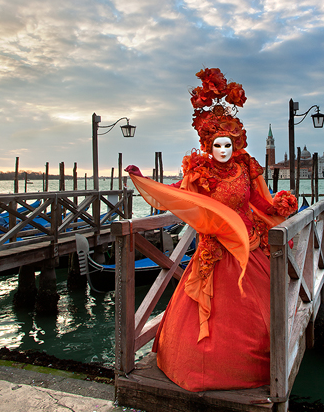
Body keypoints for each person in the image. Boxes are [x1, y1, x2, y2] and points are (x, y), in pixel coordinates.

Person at [125, 68, 297, 392]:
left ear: (236, 143)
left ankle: (266, 368)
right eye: (217, 144)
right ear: (208, 145)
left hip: (248, 247)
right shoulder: (200, 172)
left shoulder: (246, 168)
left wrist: (281, 206)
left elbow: (261, 201)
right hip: (213, 251)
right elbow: (179, 195)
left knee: (261, 316)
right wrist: (146, 183)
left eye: (228, 144)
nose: (223, 150)